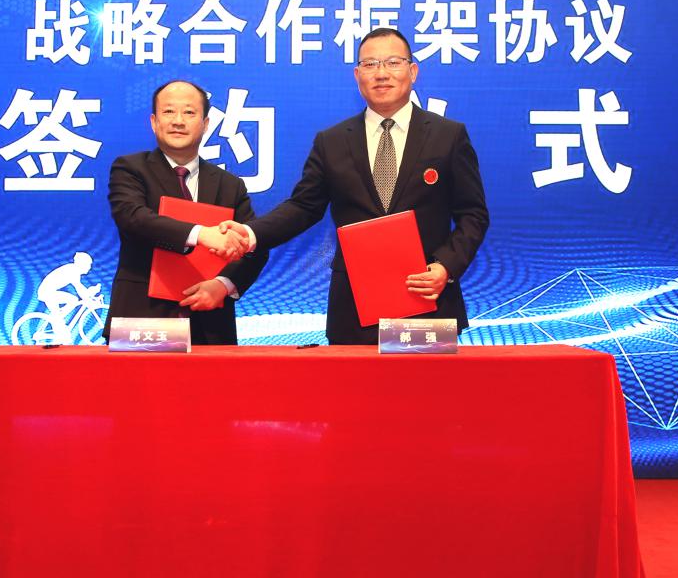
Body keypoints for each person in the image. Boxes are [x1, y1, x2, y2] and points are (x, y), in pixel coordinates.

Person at [232, 28, 489, 344]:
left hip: (427, 298)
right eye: (370, 64)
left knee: (424, 379)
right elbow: (303, 207)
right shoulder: (332, 141)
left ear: (413, 71)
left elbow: (473, 215)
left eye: (393, 62)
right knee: (353, 378)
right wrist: (251, 234)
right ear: (357, 75)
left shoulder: (448, 136)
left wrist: (445, 267)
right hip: (354, 307)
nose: (381, 73)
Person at [103, 79, 266, 345]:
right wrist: (201, 234)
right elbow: (133, 218)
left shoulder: (229, 184)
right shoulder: (130, 169)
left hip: (211, 323)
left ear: (206, 124)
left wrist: (223, 284)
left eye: (189, 112)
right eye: (169, 111)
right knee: (140, 377)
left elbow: (252, 246)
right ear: (154, 122)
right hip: (143, 319)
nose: (178, 121)